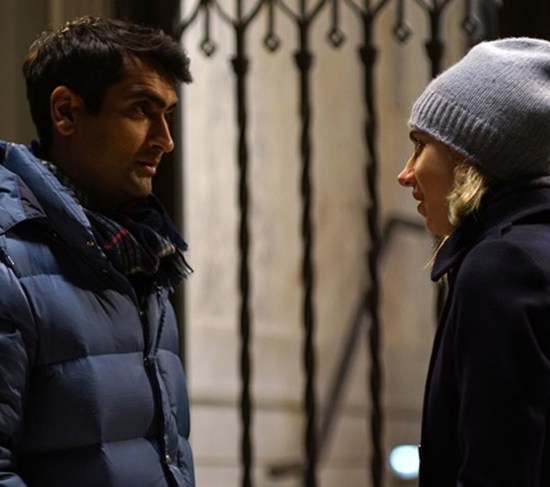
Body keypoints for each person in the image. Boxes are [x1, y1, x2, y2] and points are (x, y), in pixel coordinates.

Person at [0, 16, 195, 486]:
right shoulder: (10, 258)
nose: (165, 140)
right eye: (141, 109)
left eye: (167, 114)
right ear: (66, 112)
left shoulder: (144, 255)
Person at [398, 38, 550, 486]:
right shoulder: (533, 249)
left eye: (420, 145)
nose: (405, 173)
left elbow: (495, 468)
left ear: (470, 156)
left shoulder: (502, 267)